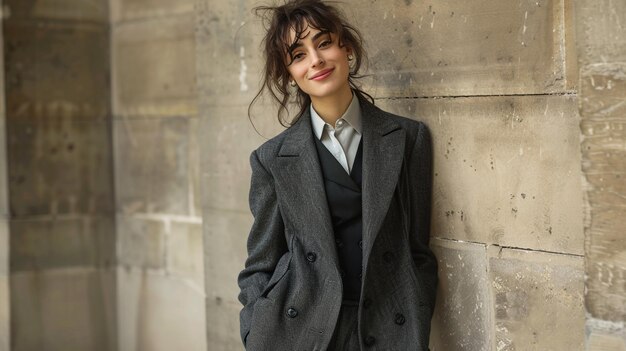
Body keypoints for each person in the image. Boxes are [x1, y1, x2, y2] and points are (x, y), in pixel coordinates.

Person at [237, 0, 438, 349]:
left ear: (346, 47)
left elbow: (418, 251)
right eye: (298, 54)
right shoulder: (272, 159)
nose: (315, 60)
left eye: (324, 42)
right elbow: (260, 264)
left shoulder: (408, 139)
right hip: (305, 334)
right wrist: (256, 329)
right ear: (289, 74)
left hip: (390, 328)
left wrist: (416, 316)